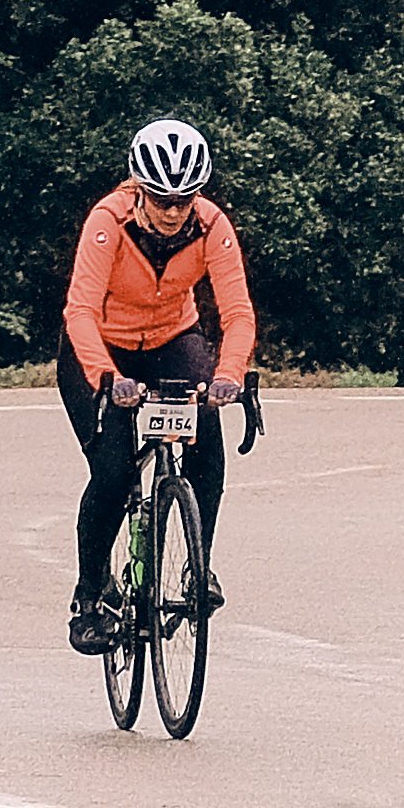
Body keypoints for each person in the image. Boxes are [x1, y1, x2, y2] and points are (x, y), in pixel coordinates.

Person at [57, 115, 257, 650]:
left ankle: (198, 570)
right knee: (115, 468)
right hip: (100, 345)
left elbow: (237, 312)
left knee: (208, 449)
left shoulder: (212, 226)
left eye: (183, 200)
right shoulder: (108, 222)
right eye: (160, 199)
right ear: (139, 190)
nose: (172, 212)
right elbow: (78, 310)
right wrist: (107, 377)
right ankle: (90, 597)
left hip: (173, 337)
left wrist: (228, 374)